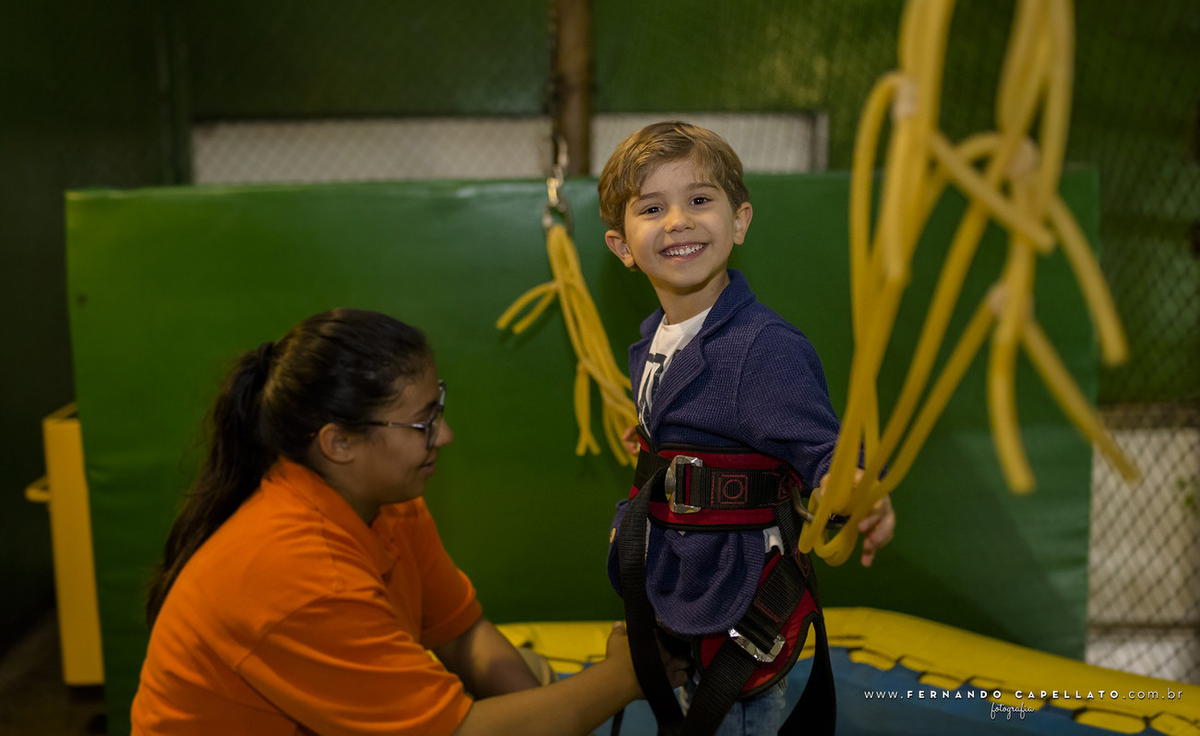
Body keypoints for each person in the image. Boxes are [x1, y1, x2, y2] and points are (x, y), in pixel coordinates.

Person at [131, 308, 687, 736]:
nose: (443, 436)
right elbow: (458, 731)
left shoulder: (384, 500)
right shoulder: (303, 574)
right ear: (339, 443)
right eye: (422, 423)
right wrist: (624, 677)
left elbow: (463, 635)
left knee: (537, 677)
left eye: (437, 408)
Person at [599, 122, 896, 735]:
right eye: (652, 208)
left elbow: (827, 452)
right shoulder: (652, 341)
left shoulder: (762, 348)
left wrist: (859, 490)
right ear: (623, 246)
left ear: (740, 221)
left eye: (700, 200)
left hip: (738, 603)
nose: (678, 220)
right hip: (681, 581)